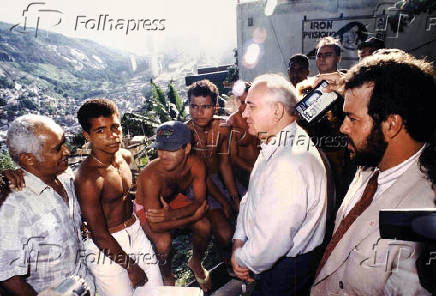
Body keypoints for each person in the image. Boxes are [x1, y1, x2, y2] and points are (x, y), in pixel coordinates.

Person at [311, 50, 436, 295]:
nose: (343, 127)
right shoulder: (371, 164)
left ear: (391, 125)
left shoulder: (424, 214)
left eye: (352, 118)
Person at [231, 74, 327, 296]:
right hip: (273, 261)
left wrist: (241, 259)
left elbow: (272, 241)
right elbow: (252, 197)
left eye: (251, 107)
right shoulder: (277, 143)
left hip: (284, 269)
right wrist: (239, 239)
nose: (244, 114)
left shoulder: (288, 162)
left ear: (277, 111)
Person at [75, 99, 163, 296]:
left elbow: (125, 197)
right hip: (106, 247)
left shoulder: (125, 157)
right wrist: (130, 267)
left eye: (115, 127)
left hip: (135, 233)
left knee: (155, 292)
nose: (112, 135)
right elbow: (99, 234)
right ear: (87, 135)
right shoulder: (89, 178)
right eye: (101, 131)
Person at [0, 114, 95, 295]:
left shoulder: (66, 177)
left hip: (84, 283)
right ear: (29, 159)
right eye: (57, 148)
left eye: (64, 143)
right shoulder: (14, 207)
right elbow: (8, 277)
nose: (67, 151)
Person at [134, 121, 211, 291]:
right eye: (161, 148)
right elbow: (155, 224)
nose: (164, 155)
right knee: (163, 243)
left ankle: (195, 262)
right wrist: (192, 217)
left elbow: (199, 201)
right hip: (146, 204)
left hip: (172, 201)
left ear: (187, 149)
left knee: (204, 226)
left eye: (172, 149)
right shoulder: (150, 176)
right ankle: (167, 274)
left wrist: (172, 215)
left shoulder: (196, 164)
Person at [186, 80, 240, 256]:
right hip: (197, 185)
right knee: (225, 235)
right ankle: (222, 258)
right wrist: (225, 202)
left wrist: (234, 197)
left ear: (215, 107)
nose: (199, 112)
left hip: (220, 179)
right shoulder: (185, 133)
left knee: (252, 213)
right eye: (194, 106)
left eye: (206, 107)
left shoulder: (224, 128)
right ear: (188, 107)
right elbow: (200, 177)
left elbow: (224, 164)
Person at [226, 82, 259, 188]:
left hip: (263, 167)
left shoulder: (260, 117)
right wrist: (253, 170)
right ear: (236, 101)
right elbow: (233, 157)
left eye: (249, 102)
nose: (245, 106)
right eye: (242, 102)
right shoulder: (232, 122)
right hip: (244, 174)